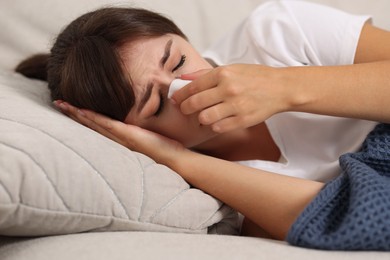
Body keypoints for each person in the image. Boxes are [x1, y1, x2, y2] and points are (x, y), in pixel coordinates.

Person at [15, 1, 390, 244]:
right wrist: (179, 160)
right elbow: (349, 216)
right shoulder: (204, 193)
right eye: (157, 104)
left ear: (183, 37)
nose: (184, 88)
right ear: (138, 132)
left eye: (177, 62)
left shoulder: (276, 33)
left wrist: (285, 87)